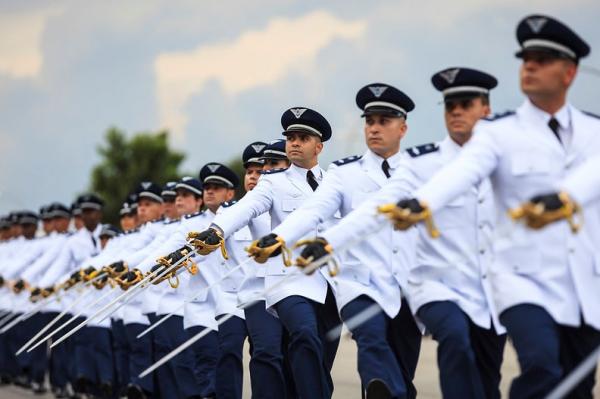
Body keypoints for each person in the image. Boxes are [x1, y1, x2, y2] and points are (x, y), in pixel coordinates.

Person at [377, 15, 600, 399]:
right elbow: (462, 170)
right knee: (542, 364)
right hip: (520, 279)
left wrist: (565, 197)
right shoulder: (500, 132)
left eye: (543, 58)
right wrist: (423, 203)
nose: (529, 65)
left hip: (582, 285)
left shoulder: (594, 131)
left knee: (576, 385)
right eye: (526, 58)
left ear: (569, 72)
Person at [259, 84, 422, 398]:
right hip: (359, 280)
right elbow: (313, 211)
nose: (373, 128)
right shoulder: (344, 173)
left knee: (402, 371)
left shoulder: (420, 170)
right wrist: (279, 237)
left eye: (383, 121)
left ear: (402, 128)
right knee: (370, 341)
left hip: (407, 282)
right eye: (369, 121)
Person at [193, 107, 341, 398]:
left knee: (318, 360)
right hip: (287, 282)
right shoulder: (273, 182)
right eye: (291, 137)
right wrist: (217, 230)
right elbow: (244, 208)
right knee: (297, 338)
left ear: (319, 146)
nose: (295, 142)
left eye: (303, 137)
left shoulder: (336, 181)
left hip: (331, 285)